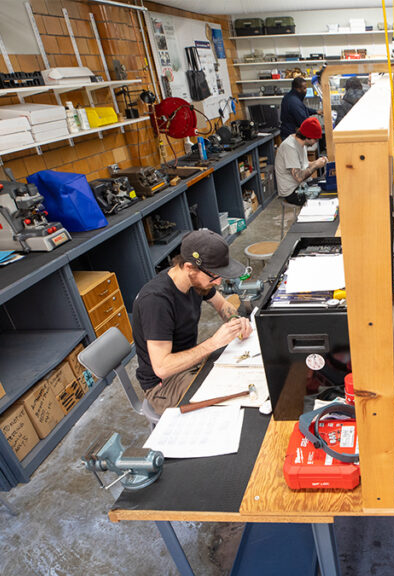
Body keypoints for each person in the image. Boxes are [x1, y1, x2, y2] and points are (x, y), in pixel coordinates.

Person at [131, 229, 253, 413]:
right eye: (214, 275)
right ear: (189, 267)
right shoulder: (156, 301)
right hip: (164, 384)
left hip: (191, 363)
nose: (218, 282)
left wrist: (235, 320)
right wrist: (213, 343)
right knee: (230, 402)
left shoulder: (195, 281)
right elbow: (162, 368)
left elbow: (221, 305)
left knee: (245, 374)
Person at [275, 115, 327, 206]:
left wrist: (317, 162)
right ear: (308, 137)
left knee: (325, 183)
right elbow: (299, 177)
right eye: (315, 139)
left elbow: (303, 164)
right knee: (323, 199)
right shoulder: (290, 147)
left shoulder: (301, 144)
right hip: (292, 191)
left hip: (302, 184)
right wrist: (316, 166)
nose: (316, 142)